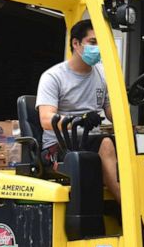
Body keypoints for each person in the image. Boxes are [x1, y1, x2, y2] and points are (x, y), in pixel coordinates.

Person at [36, 19, 120, 201]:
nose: (97, 48)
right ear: (76, 43)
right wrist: (79, 120)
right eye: (92, 42)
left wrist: (126, 120)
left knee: (129, 147)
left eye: (101, 43)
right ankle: (127, 208)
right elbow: (45, 119)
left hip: (91, 139)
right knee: (105, 144)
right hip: (60, 145)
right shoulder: (53, 77)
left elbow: (110, 111)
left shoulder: (103, 74)